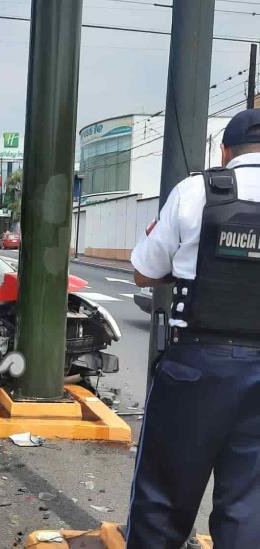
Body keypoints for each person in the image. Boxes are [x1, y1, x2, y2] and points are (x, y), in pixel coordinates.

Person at [127, 109, 260, 548]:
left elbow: (144, 271)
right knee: (249, 509)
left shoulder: (196, 191)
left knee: (163, 500)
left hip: (196, 367)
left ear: (225, 151)